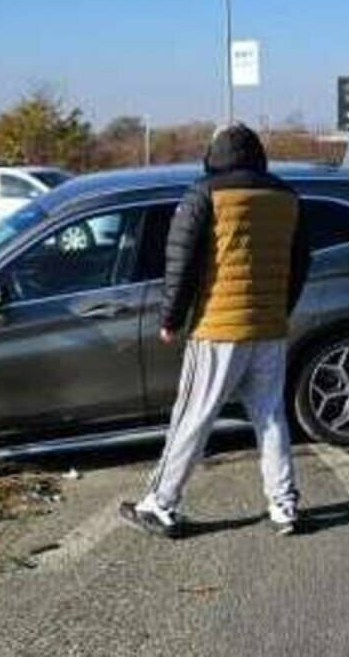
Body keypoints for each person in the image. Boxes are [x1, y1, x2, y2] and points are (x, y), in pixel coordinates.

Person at [122, 124, 312, 538]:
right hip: (269, 326)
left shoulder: (204, 193)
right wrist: (281, 310)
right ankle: (284, 505)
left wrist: (170, 319)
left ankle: (161, 502)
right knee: (271, 416)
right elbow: (301, 262)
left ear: (214, 153)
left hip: (218, 326)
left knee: (193, 415)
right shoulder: (286, 196)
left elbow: (182, 261)